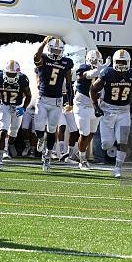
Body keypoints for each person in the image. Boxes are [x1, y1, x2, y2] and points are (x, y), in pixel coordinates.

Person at [90, 49, 132, 178]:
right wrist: (95, 106)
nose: (121, 64)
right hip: (108, 110)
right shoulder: (107, 73)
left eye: (123, 62)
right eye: (119, 62)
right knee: (107, 144)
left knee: (123, 140)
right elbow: (92, 89)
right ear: (114, 62)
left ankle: (118, 168)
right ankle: (111, 140)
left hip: (123, 111)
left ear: (128, 62)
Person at [34, 36, 74, 171]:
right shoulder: (43, 58)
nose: (56, 53)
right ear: (48, 49)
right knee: (39, 126)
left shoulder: (67, 62)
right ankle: (40, 139)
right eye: (54, 50)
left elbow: (68, 83)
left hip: (57, 101)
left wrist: (70, 101)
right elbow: (35, 57)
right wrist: (44, 42)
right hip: (43, 98)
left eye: (58, 51)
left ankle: (47, 157)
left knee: (52, 129)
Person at [0, 60, 32, 171]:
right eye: (9, 74)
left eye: (13, 74)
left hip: (17, 107)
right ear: (4, 72)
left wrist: (23, 108)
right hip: (4, 106)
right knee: (2, 131)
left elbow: (29, 96)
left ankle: (9, 143)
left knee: (13, 134)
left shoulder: (23, 79)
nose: (11, 76)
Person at [73, 50, 109, 170]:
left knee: (92, 132)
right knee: (84, 133)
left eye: (99, 61)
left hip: (94, 105)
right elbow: (85, 75)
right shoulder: (83, 67)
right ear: (89, 60)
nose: (97, 63)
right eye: (94, 61)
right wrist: (101, 69)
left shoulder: (101, 70)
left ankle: (80, 152)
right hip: (82, 103)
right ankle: (82, 160)